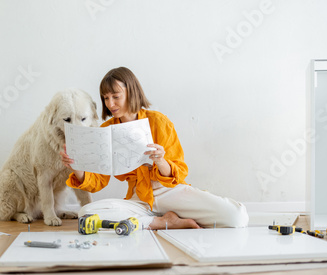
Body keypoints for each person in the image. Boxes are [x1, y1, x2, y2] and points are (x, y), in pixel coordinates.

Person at [60, 67, 248, 230]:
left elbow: (179, 173)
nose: (110, 104)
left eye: (115, 97)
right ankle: (160, 222)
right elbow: (98, 181)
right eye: (106, 98)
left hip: (170, 192)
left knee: (237, 217)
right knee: (86, 213)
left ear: (131, 92)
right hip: (139, 199)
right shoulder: (105, 130)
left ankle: (147, 221)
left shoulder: (158, 122)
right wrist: (76, 166)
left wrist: (160, 160)